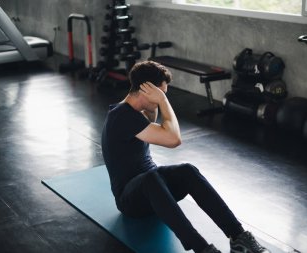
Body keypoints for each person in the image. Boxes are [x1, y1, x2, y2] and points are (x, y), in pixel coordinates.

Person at [101, 60, 270, 253]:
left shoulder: (131, 111)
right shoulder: (121, 116)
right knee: (151, 178)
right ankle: (203, 249)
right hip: (130, 200)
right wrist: (163, 101)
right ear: (146, 90)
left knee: (187, 170)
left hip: (154, 190)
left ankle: (239, 237)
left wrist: (156, 101)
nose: (162, 98)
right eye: (162, 94)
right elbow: (174, 139)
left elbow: (151, 119)